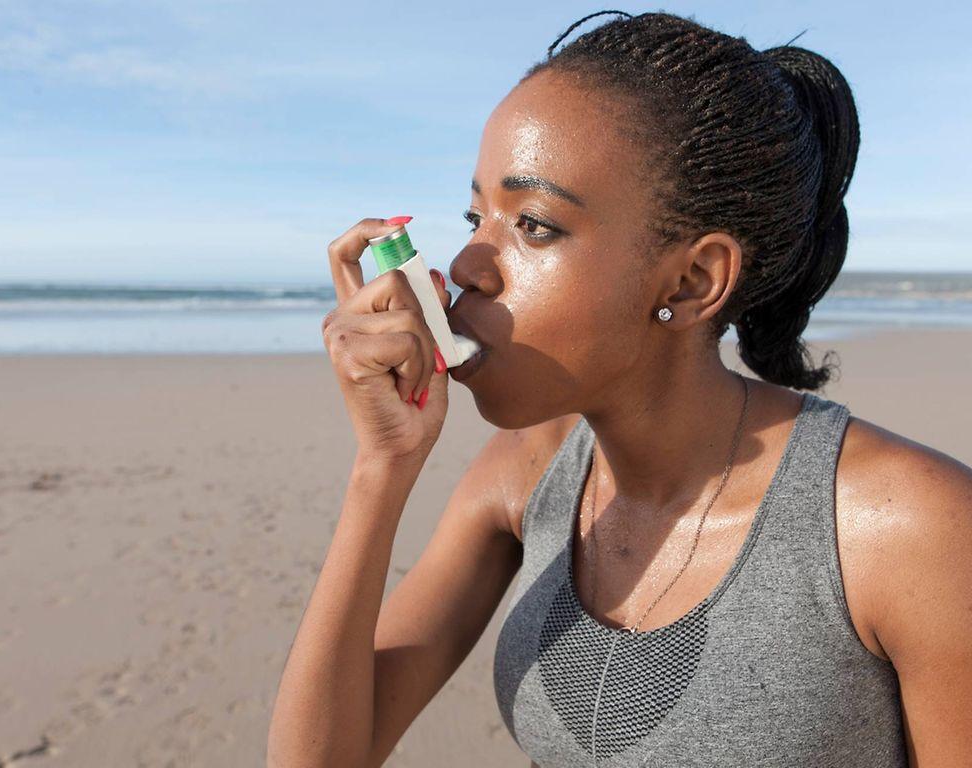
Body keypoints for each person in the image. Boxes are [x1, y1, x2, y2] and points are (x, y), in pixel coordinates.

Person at [267, 10, 972, 768]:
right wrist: (383, 464)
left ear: (694, 279)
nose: (468, 263)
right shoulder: (523, 476)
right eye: (477, 215)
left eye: (533, 225)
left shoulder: (908, 529)